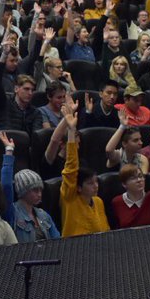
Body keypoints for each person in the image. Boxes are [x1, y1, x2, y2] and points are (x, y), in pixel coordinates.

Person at [52, 99, 109, 236]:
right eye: (90, 183)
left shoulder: (98, 201)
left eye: (96, 181)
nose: (96, 186)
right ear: (78, 187)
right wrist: (71, 131)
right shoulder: (69, 198)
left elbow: (106, 231)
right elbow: (71, 168)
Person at [0, 133, 60, 242]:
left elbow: (58, 241)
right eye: (35, 190)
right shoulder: (12, 212)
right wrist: (9, 151)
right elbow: (6, 186)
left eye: (40, 190)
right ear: (23, 191)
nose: (40, 194)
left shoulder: (43, 215)